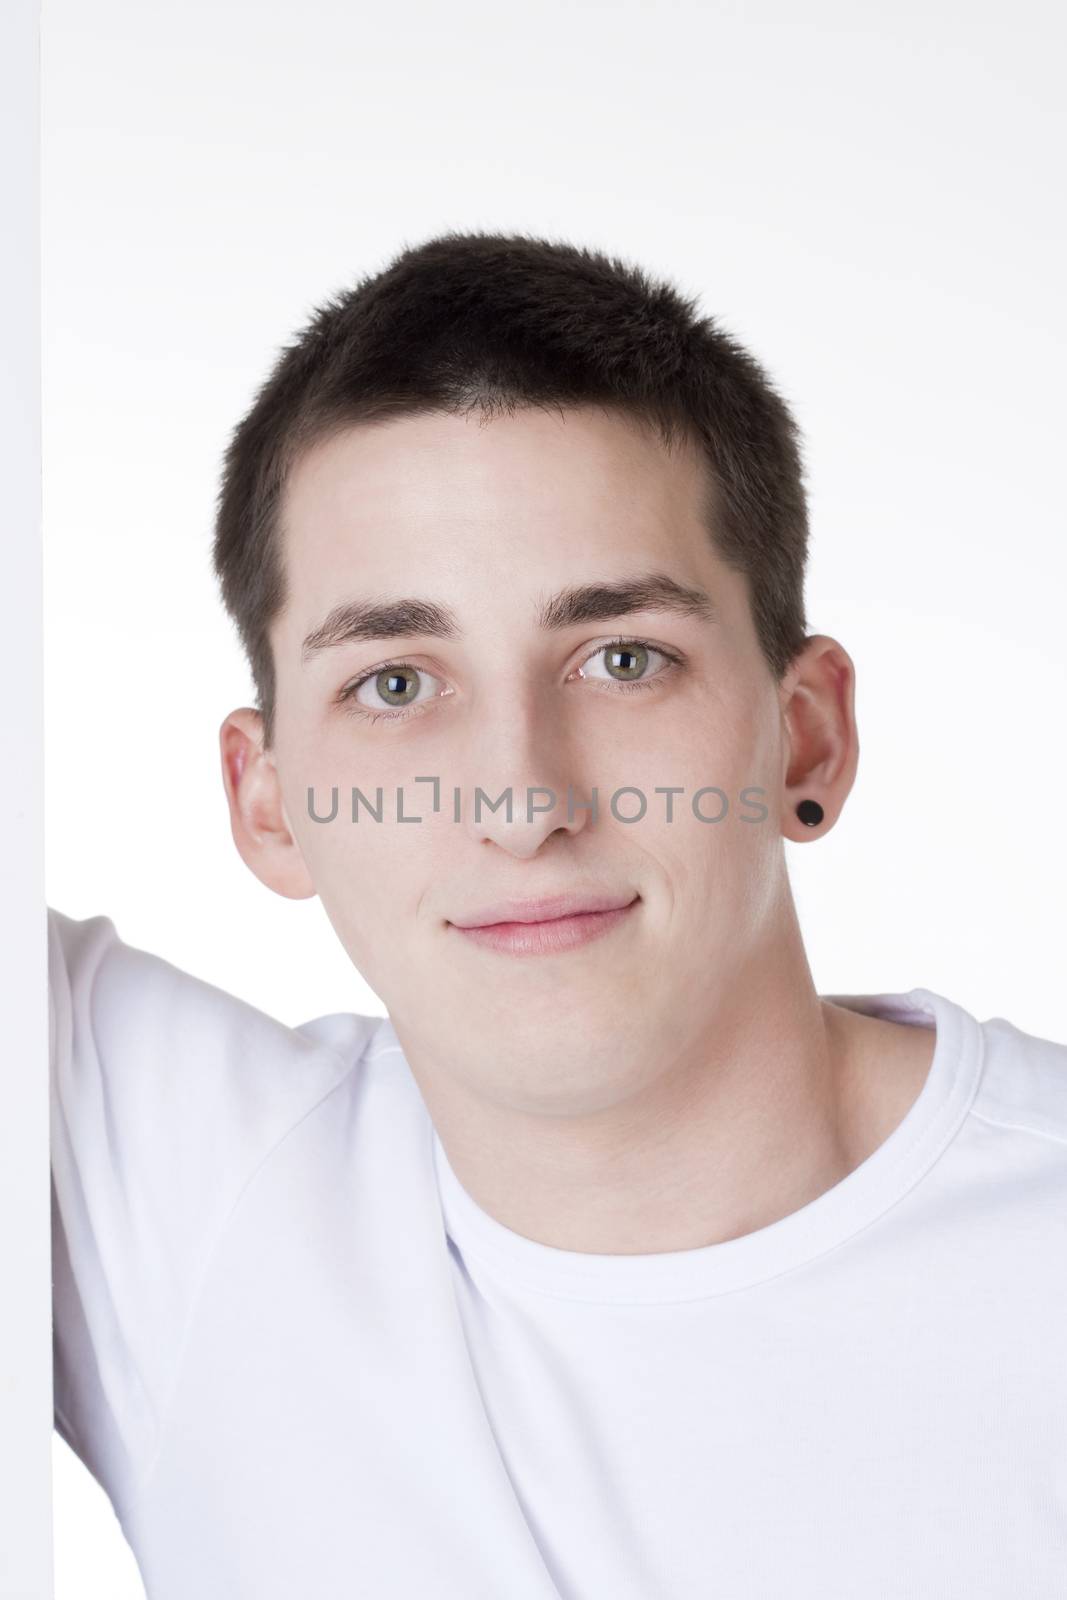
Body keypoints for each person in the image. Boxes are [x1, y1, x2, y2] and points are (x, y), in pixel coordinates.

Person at [49, 230, 1067, 1599]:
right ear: (269, 801)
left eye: (622, 658)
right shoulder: (164, 1185)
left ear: (806, 738)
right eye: (397, 683)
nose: (524, 801)